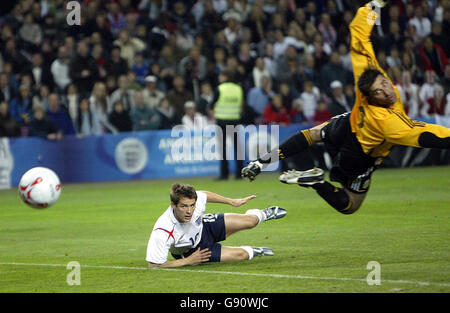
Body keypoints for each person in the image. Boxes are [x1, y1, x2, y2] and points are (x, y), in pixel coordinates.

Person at [241, 1, 450, 215]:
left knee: (313, 134)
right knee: (350, 205)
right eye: (379, 91)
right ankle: (315, 182)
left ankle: (261, 162)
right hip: (360, 152)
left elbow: (358, 32)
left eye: (385, 84)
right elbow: (425, 133)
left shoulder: (368, 74)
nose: (387, 91)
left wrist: (374, 5)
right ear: (369, 97)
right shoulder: (389, 121)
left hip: (347, 124)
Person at [146, 183, 286, 267]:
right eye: (183, 206)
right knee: (243, 255)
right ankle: (254, 251)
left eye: (192, 205)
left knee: (251, 221)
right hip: (194, 251)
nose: (189, 211)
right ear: (173, 205)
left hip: (205, 227)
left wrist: (232, 202)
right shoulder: (163, 229)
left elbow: (204, 195)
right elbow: (154, 265)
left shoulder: (194, 203)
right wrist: (188, 261)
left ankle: (261, 214)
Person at [212, 70, 245, 180]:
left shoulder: (220, 88)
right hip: (235, 120)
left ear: (225, 76)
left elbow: (212, 103)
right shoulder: (238, 89)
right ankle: (240, 173)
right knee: (237, 148)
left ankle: (224, 174)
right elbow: (241, 105)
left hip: (222, 121)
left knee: (222, 149)